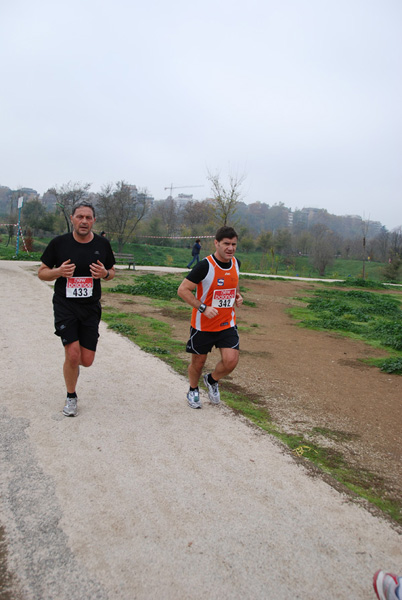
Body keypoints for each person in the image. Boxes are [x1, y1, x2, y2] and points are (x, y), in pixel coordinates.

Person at [38, 201, 116, 417]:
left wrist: (105, 275)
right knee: (73, 355)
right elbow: (42, 272)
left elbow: (111, 271)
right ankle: (71, 396)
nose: (84, 221)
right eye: (80, 217)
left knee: (86, 360)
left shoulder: (102, 244)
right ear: (72, 219)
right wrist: (59, 272)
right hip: (66, 305)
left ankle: (73, 366)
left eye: (88, 217)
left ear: (94, 221)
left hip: (90, 307)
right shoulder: (59, 244)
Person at [178, 226, 243, 409]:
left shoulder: (236, 263)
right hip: (203, 325)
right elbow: (182, 290)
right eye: (226, 244)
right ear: (216, 243)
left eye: (233, 244)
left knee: (231, 361)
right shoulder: (205, 266)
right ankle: (193, 389)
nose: (230, 248)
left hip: (226, 323)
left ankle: (212, 379)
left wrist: (237, 295)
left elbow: (234, 283)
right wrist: (203, 308)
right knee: (198, 363)